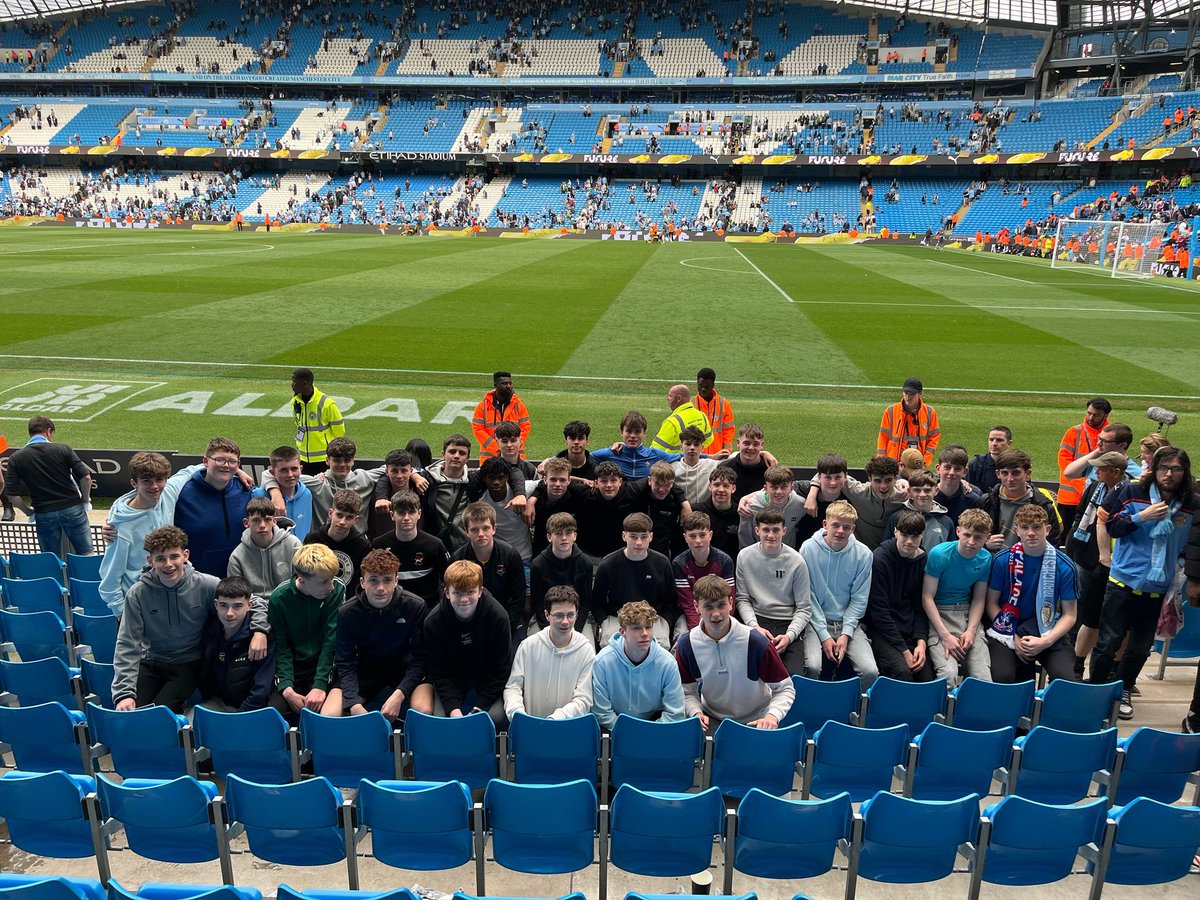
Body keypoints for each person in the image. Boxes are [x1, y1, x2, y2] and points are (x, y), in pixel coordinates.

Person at [112, 526, 269, 713]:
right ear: (150, 561)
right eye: (160, 559)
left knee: (159, 712)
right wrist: (124, 693)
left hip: (187, 663)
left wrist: (260, 631)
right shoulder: (137, 594)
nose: (168, 564)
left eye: (174, 556)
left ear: (185, 555)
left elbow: (252, 601)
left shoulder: (205, 584)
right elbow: (127, 644)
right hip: (151, 661)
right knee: (131, 712)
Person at [1092, 447, 1199, 719]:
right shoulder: (1131, 493)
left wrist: (1181, 565)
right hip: (1122, 581)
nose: (1169, 474)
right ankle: (1094, 691)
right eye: (1164, 467)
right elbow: (1112, 527)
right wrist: (1142, 516)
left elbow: (1194, 541)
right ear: (1154, 469)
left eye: (1176, 469)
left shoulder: (1191, 503)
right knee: (1108, 642)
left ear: (1184, 473)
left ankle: (1125, 689)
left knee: (1140, 648)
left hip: (1157, 588)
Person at [325, 548, 434, 720]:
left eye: (387, 580)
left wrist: (399, 695)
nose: (380, 588)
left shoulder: (415, 606)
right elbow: (345, 663)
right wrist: (353, 704)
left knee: (424, 710)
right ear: (362, 582)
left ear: (396, 581)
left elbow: (420, 658)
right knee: (329, 714)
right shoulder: (347, 612)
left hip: (404, 669)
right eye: (373, 580)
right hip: (365, 671)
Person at [675, 575, 795, 730]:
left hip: (757, 720)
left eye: (721, 605)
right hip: (711, 719)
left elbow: (785, 689)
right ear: (696, 606)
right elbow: (687, 693)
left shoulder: (756, 642)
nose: (716, 614)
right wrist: (695, 712)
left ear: (731, 603)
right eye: (708, 607)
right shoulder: (687, 645)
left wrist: (772, 716)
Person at [985, 504, 1079, 684]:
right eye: (1025, 527)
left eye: (1036, 527)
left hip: (1047, 626)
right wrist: (1012, 637)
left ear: (1048, 529)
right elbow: (991, 604)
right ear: (1017, 530)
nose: (1031, 533)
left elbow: (1070, 615)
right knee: (1003, 676)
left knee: (1066, 679)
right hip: (1007, 626)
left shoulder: (1065, 565)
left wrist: (1046, 641)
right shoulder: (1002, 560)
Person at [99, 451, 195, 619]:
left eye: (159, 480)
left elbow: (191, 470)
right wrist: (123, 614)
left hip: (169, 598)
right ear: (134, 483)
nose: (154, 486)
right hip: (138, 608)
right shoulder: (119, 527)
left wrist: (236, 470)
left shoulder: (168, 492)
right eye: (146, 481)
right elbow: (109, 580)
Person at [424, 560, 512, 728]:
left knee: (497, 715)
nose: (464, 599)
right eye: (457, 593)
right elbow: (440, 673)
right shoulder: (433, 622)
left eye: (470, 592)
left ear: (480, 591)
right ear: (447, 593)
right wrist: (453, 710)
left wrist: (479, 708)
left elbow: (502, 670)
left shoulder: (499, 617)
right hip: (453, 677)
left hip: (488, 677)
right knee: (440, 716)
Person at [799, 500, 878, 685]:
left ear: (853, 529)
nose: (841, 531)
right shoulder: (808, 549)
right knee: (812, 666)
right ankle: (811, 707)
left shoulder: (864, 554)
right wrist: (824, 635)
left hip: (847, 623)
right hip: (814, 621)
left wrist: (846, 633)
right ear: (825, 524)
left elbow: (859, 598)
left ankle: (857, 710)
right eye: (836, 525)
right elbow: (807, 595)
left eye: (846, 527)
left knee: (870, 671)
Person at [1067, 451, 1129, 680]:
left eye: (1101, 468)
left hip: (1118, 566)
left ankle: (1112, 669)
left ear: (1116, 472)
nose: (1096, 471)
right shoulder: (1094, 488)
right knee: (1087, 614)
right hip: (1088, 558)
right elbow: (1080, 516)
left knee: (1118, 621)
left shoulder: (1129, 493)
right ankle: (1076, 664)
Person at [268, 544, 345, 719]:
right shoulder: (279, 599)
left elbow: (331, 642)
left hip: (326, 665)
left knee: (321, 716)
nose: (331, 586)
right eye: (324, 581)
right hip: (294, 667)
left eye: (332, 578)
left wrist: (320, 685)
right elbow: (282, 646)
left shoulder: (337, 591)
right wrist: (286, 688)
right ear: (301, 579)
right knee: (273, 715)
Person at [922, 509, 995, 685]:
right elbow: (927, 597)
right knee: (948, 674)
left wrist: (971, 630)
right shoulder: (940, 554)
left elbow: (979, 598)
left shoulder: (985, 559)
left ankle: (975, 711)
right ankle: (944, 711)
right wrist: (945, 635)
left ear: (987, 538)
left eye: (978, 537)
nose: (971, 542)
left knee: (983, 677)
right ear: (958, 531)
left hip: (966, 612)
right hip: (939, 613)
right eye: (967, 535)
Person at [735, 509, 811, 676]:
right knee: (750, 673)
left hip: (787, 622)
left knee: (791, 676)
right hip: (756, 620)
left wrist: (789, 636)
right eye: (766, 530)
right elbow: (742, 599)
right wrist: (754, 627)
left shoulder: (797, 561)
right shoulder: (744, 557)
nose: (771, 535)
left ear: (784, 531)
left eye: (776, 530)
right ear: (757, 531)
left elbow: (804, 608)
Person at [3, 415, 93, 554]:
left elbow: (13, 496)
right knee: (86, 554)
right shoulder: (63, 449)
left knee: (51, 559)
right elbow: (86, 478)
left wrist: (29, 512)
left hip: (43, 513)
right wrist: (85, 500)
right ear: (48, 431)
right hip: (73, 509)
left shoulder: (16, 458)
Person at [419, 434, 525, 552]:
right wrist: (414, 475)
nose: (456, 456)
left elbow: (512, 471)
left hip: (466, 548)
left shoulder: (473, 480)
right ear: (443, 454)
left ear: (468, 458)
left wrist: (520, 494)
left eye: (462, 453)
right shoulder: (426, 480)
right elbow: (402, 469)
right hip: (436, 546)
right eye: (452, 452)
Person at [504, 585, 595, 720]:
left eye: (570, 615)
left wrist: (557, 718)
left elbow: (584, 698)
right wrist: (517, 713)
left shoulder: (586, 650)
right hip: (531, 727)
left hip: (567, 727)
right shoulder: (528, 646)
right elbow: (513, 687)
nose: (565, 622)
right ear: (547, 615)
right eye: (558, 615)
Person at [592, 600, 687, 728]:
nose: (644, 633)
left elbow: (675, 712)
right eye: (636, 628)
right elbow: (601, 711)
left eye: (648, 627)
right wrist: (625, 732)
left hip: (655, 727)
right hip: (616, 727)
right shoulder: (602, 661)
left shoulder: (667, 663)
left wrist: (648, 732)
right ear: (622, 632)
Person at [174, 437, 256, 577]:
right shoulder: (183, 495)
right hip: (199, 580)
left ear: (238, 465)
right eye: (219, 460)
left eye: (232, 461)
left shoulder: (245, 489)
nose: (226, 465)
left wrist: (275, 490)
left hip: (240, 577)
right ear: (206, 461)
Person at [593, 513, 677, 647]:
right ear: (624, 536)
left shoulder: (662, 563)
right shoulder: (608, 563)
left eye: (644, 537)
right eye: (633, 537)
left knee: (661, 647)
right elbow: (597, 600)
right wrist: (603, 621)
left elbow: (671, 600)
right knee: (609, 645)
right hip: (617, 617)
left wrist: (666, 622)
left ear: (651, 537)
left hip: (653, 618)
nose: (639, 542)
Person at [867, 511, 932, 682]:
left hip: (909, 631)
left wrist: (921, 643)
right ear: (895, 532)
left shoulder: (922, 558)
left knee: (927, 677)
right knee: (902, 672)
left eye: (915, 536)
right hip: (882, 631)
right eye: (904, 535)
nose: (909, 541)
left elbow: (920, 606)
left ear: (922, 536)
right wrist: (904, 651)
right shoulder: (879, 559)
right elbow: (879, 613)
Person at [198, 576, 276, 712]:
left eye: (237, 606)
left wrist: (238, 719)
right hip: (216, 705)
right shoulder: (210, 630)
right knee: (192, 721)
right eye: (223, 605)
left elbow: (261, 692)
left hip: (251, 710)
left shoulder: (263, 639)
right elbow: (205, 679)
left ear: (249, 606)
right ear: (216, 604)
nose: (229, 613)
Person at [453, 501, 527, 635]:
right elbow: (454, 597)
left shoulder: (510, 555)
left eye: (485, 528)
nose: (480, 534)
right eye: (475, 529)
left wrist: (506, 627)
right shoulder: (457, 559)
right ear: (466, 531)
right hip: (470, 621)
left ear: (494, 528)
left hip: (506, 619)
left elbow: (518, 597)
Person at [372, 489, 452, 608]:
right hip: (391, 608)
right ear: (392, 515)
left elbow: (450, 580)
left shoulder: (435, 545)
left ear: (419, 514)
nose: (406, 518)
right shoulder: (379, 545)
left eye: (411, 512)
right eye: (401, 513)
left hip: (427, 608)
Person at [529, 512, 595, 642]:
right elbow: (537, 603)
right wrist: (549, 629)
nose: (564, 537)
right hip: (547, 618)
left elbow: (586, 602)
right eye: (558, 533)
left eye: (568, 533)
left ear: (575, 536)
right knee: (535, 646)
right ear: (549, 537)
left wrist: (574, 629)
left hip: (576, 618)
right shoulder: (538, 565)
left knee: (587, 648)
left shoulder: (585, 563)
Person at [980, 449, 1061, 550]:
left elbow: (1053, 543)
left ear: (1028, 474)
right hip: (995, 562)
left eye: (1016, 473)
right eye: (1005, 473)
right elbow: (971, 537)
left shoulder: (1043, 505)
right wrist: (984, 545)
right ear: (998, 474)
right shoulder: (986, 502)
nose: (1010, 479)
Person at [227, 497, 303, 598]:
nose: (262, 525)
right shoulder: (237, 556)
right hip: (255, 608)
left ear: (274, 521)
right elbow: (237, 595)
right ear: (246, 523)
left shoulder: (293, 544)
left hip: (289, 602)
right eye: (256, 520)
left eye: (267, 519)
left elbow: (304, 582)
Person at [1057, 398, 1111, 528]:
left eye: (1096, 415)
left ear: (1106, 415)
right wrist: (1084, 487)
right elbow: (1064, 462)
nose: (1090, 417)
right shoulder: (1074, 432)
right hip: (1070, 498)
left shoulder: (1111, 435)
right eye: (1089, 413)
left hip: (1098, 497)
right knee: (1066, 537)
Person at [304, 489, 372, 588]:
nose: (342, 522)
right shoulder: (312, 539)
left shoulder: (363, 545)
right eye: (339, 515)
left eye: (349, 517)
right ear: (330, 513)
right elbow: (305, 573)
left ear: (355, 520)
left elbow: (363, 580)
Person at [591, 410, 683, 479]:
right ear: (621, 432)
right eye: (629, 431)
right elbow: (584, 458)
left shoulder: (655, 454)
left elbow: (683, 457)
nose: (633, 436)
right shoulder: (611, 453)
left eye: (638, 432)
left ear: (644, 433)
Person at [627, 462, 691, 559]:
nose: (662, 489)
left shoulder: (675, 503)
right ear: (649, 481)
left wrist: (684, 503)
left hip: (661, 554)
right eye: (657, 483)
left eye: (667, 485)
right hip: (633, 552)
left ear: (672, 484)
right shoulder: (635, 494)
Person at [290, 367, 346, 475]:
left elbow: (339, 431)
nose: (292, 385)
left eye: (294, 382)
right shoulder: (295, 401)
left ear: (305, 383)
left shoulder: (327, 403)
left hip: (323, 459)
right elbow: (298, 425)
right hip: (303, 458)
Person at [738, 464, 807, 549]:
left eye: (783, 487)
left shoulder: (800, 505)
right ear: (766, 488)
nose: (779, 492)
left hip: (787, 556)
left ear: (791, 488)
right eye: (774, 487)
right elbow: (745, 535)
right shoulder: (752, 506)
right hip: (758, 555)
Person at [885, 469, 953, 552]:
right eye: (917, 490)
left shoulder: (946, 522)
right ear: (909, 491)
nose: (922, 494)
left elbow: (949, 553)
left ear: (936, 491)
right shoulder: (896, 518)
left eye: (927, 490)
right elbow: (887, 549)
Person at [876, 377, 940, 465]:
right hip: (894, 463)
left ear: (920, 393)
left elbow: (934, 438)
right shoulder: (890, 411)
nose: (907, 397)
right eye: (905, 393)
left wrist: (924, 461)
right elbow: (883, 437)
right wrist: (881, 461)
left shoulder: (930, 413)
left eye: (912, 394)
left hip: (917, 464)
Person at [472, 371, 530, 461]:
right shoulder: (482, 406)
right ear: (496, 385)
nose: (508, 386)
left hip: (515, 458)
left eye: (510, 383)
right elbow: (477, 429)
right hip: (490, 458)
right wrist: (498, 448)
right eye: (504, 383)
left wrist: (513, 445)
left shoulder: (518, 405)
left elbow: (525, 427)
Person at [265, 446, 314, 540]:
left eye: (294, 469)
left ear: (301, 469)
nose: (290, 474)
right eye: (283, 470)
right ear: (272, 472)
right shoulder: (260, 496)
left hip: (302, 552)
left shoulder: (307, 494)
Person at [369, 448, 419, 539]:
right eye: (394, 471)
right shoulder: (376, 493)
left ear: (411, 471)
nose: (399, 476)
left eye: (404, 471)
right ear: (386, 472)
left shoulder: (422, 491)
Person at [650, 384, 713, 455]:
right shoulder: (702, 415)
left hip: (675, 463)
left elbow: (655, 449)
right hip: (695, 461)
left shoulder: (672, 421)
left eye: (670, 396)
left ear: (678, 398)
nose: (668, 399)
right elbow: (709, 440)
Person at [695, 465, 741, 559]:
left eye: (726, 486)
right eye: (716, 485)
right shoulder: (695, 511)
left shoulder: (741, 514)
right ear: (710, 487)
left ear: (733, 488)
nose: (721, 490)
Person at [933, 445, 981, 527]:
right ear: (938, 468)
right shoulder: (926, 496)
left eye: (957, 469)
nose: (952, 472)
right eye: (947, 467)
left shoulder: (973, 500)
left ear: (965, 472)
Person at [672, 425, 719, 506]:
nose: (692, 448)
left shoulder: (712, 465)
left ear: (702, 447)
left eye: (696, 445)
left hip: (704, 515)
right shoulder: (673, 469)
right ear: (681, 446)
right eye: (688, 444)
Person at [693, 367, 735, 456]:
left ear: (713, 385)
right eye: (701, 385)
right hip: (697, 457)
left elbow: (729, 430)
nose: (703, 389)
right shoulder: (691, 404)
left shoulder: (724, 404)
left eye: (706, 386)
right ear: (697, 384)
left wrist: (726, 451)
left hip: (718, 455)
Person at [968, 426, 1011, 494]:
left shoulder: (1016, 464)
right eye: (991, 439)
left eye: (999, 440)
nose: (994, 444)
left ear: (1009, 443)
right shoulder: (976, 464)